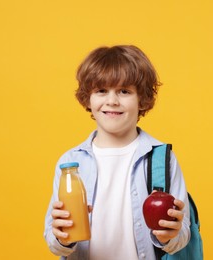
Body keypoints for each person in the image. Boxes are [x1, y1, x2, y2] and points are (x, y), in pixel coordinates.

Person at [44, 45, 190, 260]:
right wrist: (62, 238)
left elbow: (181, 236)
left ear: (142, 99)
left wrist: (170, 234)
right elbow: (54, 241)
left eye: (124, 91)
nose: (112, 101)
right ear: (88, 98)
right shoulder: (71, 163)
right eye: (101, 90)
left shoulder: (160, 159)